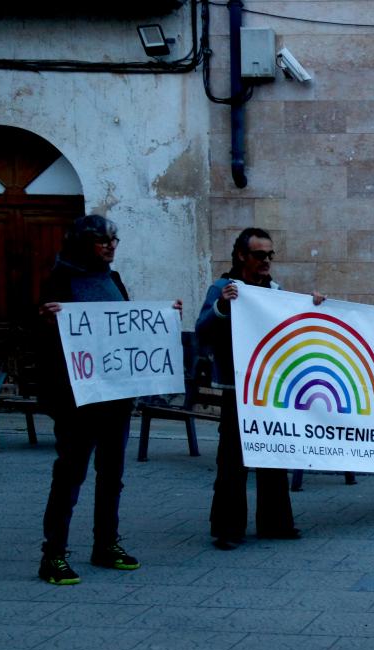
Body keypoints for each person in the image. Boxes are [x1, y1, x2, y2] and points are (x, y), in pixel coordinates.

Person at [37, 214, 182, 585]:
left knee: (112, 473)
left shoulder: (112, 279)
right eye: (103, 240)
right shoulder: (59, 279)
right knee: (70, 474)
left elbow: (124, 326)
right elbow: (35, 332)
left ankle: (105, 544)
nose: (111, 246)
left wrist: (163, 319)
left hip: (115, 395)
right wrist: (47, 321)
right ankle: (53, 554)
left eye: (114, 240)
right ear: (84, 243)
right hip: (78, 397)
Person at [196, 227, 324, 550]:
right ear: (241, 255)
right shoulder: (223, 288)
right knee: (232, 461)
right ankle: (228, 528)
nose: (266, 260)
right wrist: (222, 308)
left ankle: (276, 523)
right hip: (236, 388)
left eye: (270, 255)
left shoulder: (275, 290)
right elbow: (202, 330)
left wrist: (314, 308)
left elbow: (292, 326)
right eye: (259, 255)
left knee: (273, 454)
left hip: (270, 389)